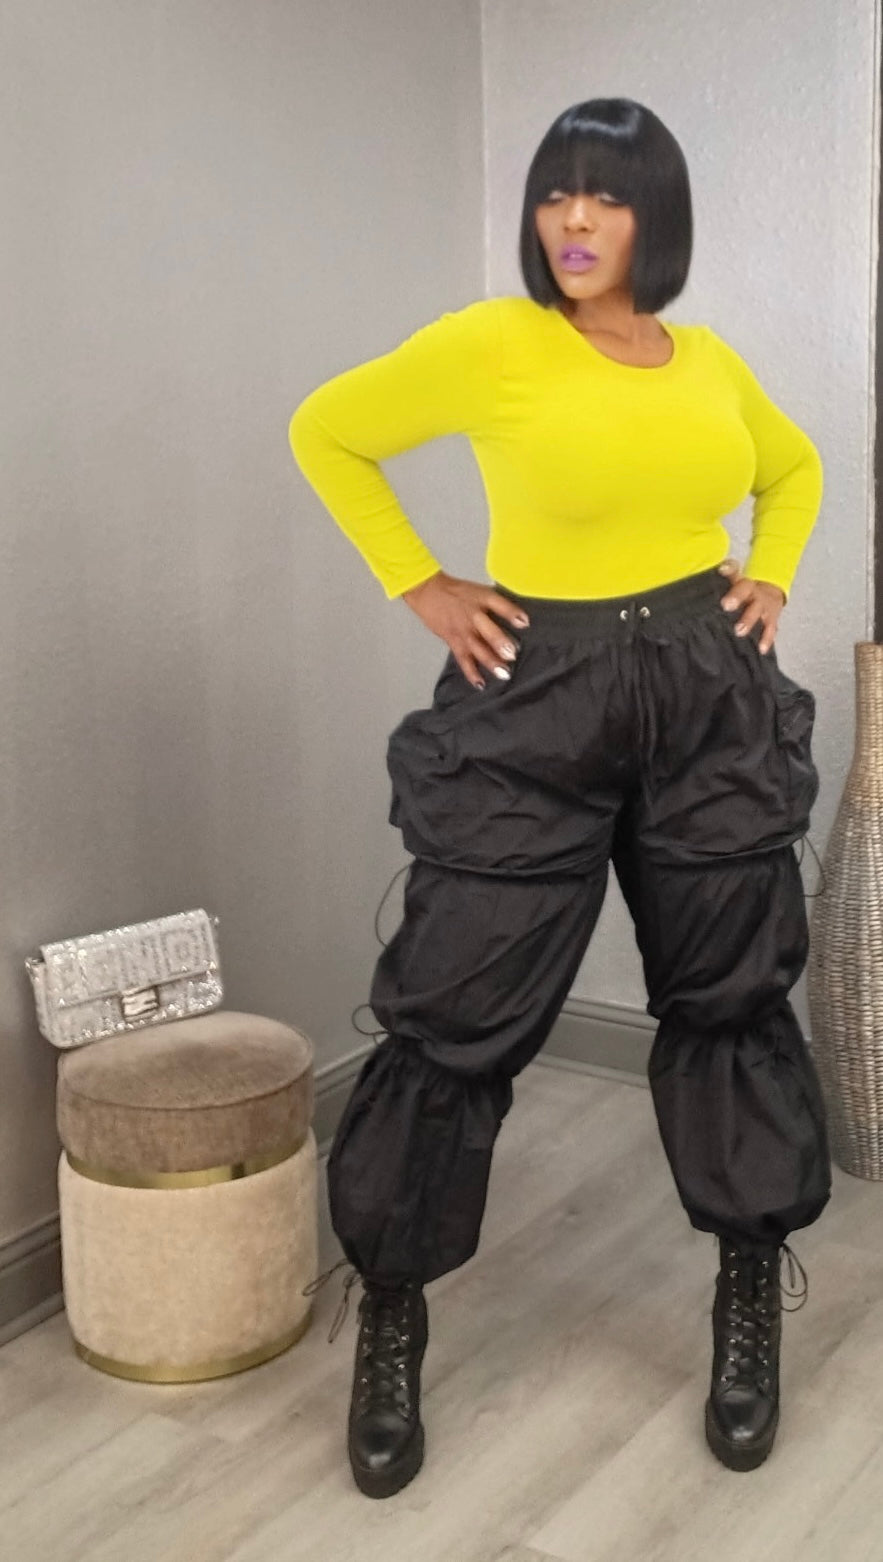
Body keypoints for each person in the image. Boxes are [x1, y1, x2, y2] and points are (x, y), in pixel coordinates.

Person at [287, 97, 832, 1499]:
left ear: (659, 216)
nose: (575, 220)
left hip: (706, 693)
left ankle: (748, 1290)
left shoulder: (709, 363)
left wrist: (772, 571)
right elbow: (327, 429)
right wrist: (423, 584)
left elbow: (794, 467)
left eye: (607, 194)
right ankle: (393, 1308)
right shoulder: (496, 343)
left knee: (729, 995)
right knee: (454, 1005)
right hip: (539, 694)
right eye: (554, 194)